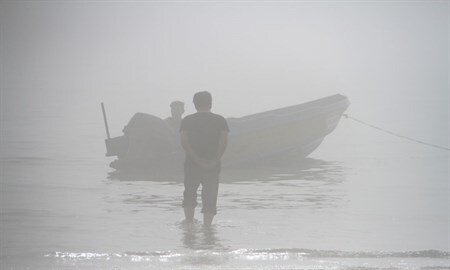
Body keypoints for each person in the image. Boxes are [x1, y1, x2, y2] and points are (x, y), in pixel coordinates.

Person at [180, 91, 229, 227]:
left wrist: (196, 159)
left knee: (189, 193)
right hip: (212, 164)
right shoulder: (220, 120)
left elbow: (184, 141)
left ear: (195, 104)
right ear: (211, 103)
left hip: (192, 163)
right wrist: (215, 160)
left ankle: (189, 224)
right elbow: (224, 142)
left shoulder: (187, 120)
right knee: (210, 195)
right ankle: (207, 226)